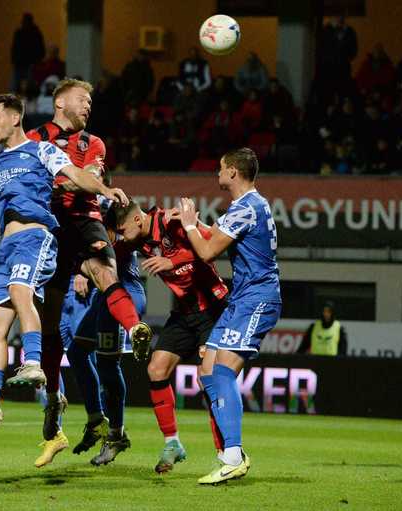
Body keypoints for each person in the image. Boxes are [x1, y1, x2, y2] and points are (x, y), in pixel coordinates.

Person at [0, 93, 129, 439]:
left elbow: (76, 174)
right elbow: (0, 215)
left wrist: (104, 188)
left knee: (19, 292)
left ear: (15, 118)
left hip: (36, 238)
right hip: (6, 247)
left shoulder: (40, 149)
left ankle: (33, 363)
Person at [26, 79, 152, 466]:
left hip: (83, 221)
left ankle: (134, 329)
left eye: (92, 101)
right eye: (84, 99)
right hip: (50, 226)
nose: (89, 106)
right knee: (59, 333)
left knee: (105, 274)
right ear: (60, 101)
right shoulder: (33, 138)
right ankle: (56, 403)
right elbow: (43, 179)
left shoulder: (92, 144)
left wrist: (77, 181)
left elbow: (83, 181)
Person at [178, 147, 282, 484]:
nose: (217, 173)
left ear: (233, 172)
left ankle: (233, 455)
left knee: (222, 369)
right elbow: (217, 235)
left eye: (221, 168)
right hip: (242, 300)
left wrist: (191, 226)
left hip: (257, 299)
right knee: (207, 368)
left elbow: (207, 250)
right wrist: (191, 226)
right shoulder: (249, 206)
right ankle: (229, 452)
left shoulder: (246, 207)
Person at [112, 200, 229, 474]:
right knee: (156, 368)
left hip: (212, 308)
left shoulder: (172, 221)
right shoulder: (136, 240)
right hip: (184, 312)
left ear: (138, 221)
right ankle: (172, 443)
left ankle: (226, 453)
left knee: (208, 378)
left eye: (122, 229)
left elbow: (211, 247)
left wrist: (172, 259)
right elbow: (111, 251)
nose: (120, 233)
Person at [63, 202, 146, 467]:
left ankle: (115, 434)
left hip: (124, 296)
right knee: (77, 352)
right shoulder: (93, 216)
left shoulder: (110, 220)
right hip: (104, 299)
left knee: (108, 365)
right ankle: (96, 419)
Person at [10, 13, 45, 89]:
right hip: (26, 63)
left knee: (18, 86)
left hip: (26, 63)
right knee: (26, 86)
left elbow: (14, 48)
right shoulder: (35, 33)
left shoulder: (20, 33)